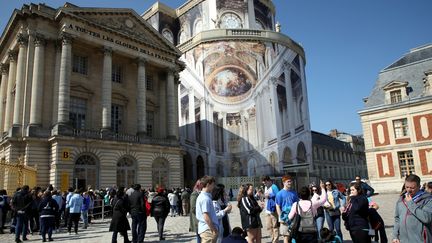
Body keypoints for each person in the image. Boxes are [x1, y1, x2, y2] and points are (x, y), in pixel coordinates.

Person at [392, 174, 432, 243]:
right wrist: (395, 236)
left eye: (412, 188)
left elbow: (427, 218)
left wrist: (411, 203)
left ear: (419, 187)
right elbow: (397, 219)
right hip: (404, 240)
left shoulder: (427, 200)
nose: (409, 190)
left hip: (421, 240)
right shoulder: (401, 200)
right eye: (407, 187)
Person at [275, 175, 298, 243]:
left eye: (291, 181)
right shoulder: (279, 194)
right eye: (288, 181)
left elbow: (297, 204)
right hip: (284, 217)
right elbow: (278, 206)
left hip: (293, 217)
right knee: (286, 236)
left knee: (294, 236)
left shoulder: (294, 193)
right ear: (284, 182)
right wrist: (281, 217)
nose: (290, 183)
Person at [196, 175, 219, 243]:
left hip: (207, 229)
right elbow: (206, 216)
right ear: (208, 184)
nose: (213, 187)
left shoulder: (203, 196)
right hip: (208, 230)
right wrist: (213, 229)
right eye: (213, 185)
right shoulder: (205, 199)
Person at [261, 176, 279, 243]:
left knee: (275, 226)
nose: (264, 184)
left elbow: (278, 195)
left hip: (273, 209)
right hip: (267, 209)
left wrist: (270, 195)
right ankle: (272, 238)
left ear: (268, 180)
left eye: (265, 182)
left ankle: (275, 240)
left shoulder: (274, 186)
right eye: (263, 183)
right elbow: (266, 197)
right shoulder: (266, 187)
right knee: (268, 226)